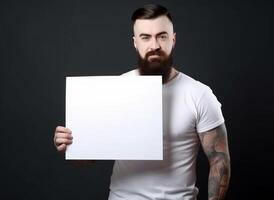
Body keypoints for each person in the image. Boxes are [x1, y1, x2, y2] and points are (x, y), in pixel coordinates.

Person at [53, 4, 231, 200]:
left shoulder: (199, 94)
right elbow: (86, 160)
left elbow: (219, 160)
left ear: (173, 39)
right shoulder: (116, 90)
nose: (154, 45)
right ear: (135, 42)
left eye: (162, 36)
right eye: (145, 37)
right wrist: (69, 145)